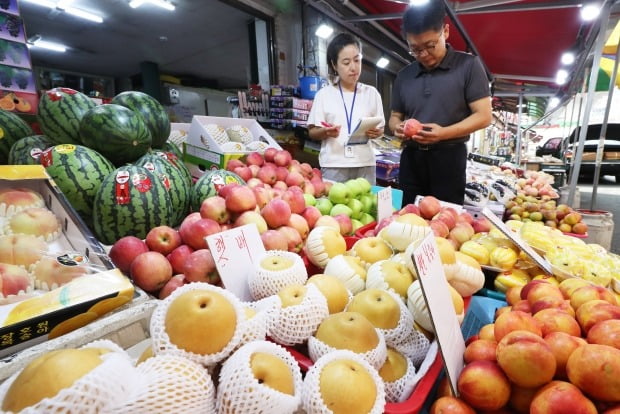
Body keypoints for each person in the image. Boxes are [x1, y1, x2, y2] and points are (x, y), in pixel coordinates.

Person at [389, 0, 492, 205]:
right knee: (409, 216)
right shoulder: (404, 76)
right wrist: (397, 128)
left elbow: (484, 116)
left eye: (430, 45)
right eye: (415, 49)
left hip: (449, 159)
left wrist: (443, 133)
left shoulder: (468, 66)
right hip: (411, 159)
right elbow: (394, 116)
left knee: (447, 222)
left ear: (445, 31)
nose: (424, 54)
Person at [307, 32, 385, 184]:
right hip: (334, 164)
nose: (353, 67)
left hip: (365, 163)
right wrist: (325, 132)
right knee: (335, 206)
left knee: (367, 206)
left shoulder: (372, 93)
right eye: (346, 62)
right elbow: (312, 132)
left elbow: (380, 130)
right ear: (334, 65)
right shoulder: (324, 95)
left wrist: (376, 132)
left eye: (357, 60)